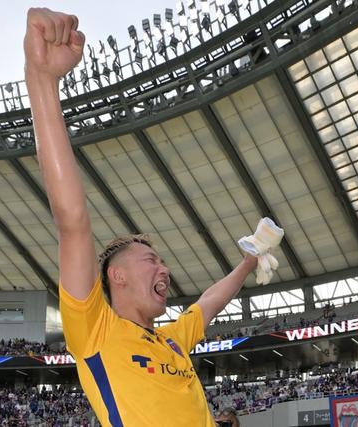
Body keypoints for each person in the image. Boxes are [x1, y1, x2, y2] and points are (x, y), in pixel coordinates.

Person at [23, 7, 282, 427]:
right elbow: (72, 220)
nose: (164, 268)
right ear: (117, 276)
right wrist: (42, 79)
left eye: (160, 261)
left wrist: (249, 261)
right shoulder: (95, 330)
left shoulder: (172, 340)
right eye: (150, 260)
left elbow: (208, 303)